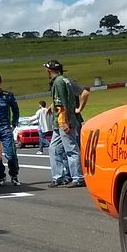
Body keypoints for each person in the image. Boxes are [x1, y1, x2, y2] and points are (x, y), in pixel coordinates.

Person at [44, 60, 84, 188]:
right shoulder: (64, 80)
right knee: (53, 148)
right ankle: (59, 176)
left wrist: (64, 121)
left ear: (49, 71)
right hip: (59, 121)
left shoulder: (58, 82)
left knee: (71, 149)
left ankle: (78, 177)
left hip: (64, 121)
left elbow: (62, 104)